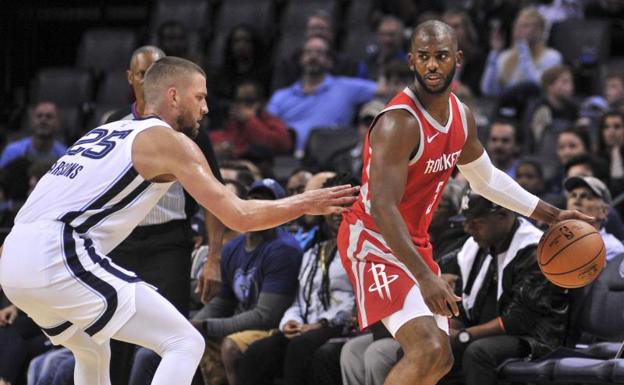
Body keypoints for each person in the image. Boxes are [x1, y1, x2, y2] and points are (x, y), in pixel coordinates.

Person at [0, 57, 358, 385]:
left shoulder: (101, 132)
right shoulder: (168, 140)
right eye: (199, 97)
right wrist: (309, 201)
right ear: (173, 96)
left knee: (92, 349)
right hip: (57, 252)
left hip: (13, 259)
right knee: (184, 341)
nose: (205, 108)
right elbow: (239, 215)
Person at [337, 20, 590, 385]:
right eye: (423, 57)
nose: (433, 65)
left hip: (412, 239)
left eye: (441, 56)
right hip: (373, 240)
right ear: (411, 61)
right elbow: (382, 207)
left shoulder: (460, 115)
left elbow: (485, 178)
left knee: (440, 359)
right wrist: (425, 277)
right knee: (426, 350)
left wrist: (551, 215)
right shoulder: (398, 123)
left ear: (457, 58)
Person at [104, 45, 227, 385]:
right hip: (119, 242)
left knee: (173, 337)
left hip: (167, 243)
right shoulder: (114, 123)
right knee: (111, 338)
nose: (150, 79)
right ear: (131, 78)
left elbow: (215, 197)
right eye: (143, 73)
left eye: (158, 70)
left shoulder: (188, 126)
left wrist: (213, 259)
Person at [235, 175, 356, 385]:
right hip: (305, 327)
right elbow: (299, 300)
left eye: (345, 205)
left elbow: (357, 301)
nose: (337, 212)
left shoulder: (362, 250)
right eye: (334, 205)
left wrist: (323, 323)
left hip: (340, 324)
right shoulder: (313, 251)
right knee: (258, 352)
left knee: (302, 346)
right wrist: (292, 321)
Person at [442, 190, 569, 385]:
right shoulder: (478, 246)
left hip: (534, 340)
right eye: (465, 222)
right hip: (485, 333)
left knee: (479, 352)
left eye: (475, 222)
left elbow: (519, 320)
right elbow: (464, 305)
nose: (467, 229)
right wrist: (445, 332)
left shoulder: (537, 251)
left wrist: (463, 336)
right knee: (431, 348)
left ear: (502, 214)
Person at [267, 36, 380, 153]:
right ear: (301, 58)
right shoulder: (280, 97)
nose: (313, 56)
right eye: (308, 52)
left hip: (328, 159)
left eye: (319, 53)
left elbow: (386, 89)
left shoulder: (347, 88)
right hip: (286, 158)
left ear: (329, 61)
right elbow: (267, 128)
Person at [480, 7, 563, 97]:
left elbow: (538, 86)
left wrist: (523, 49)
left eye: (525, 26)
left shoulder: (552, 57)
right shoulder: (505, 56)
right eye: (516, 25)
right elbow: (488, 90)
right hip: (509, 106)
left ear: (539, 30)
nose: (519, 29)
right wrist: (495, 53)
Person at [564, 176, 624, 262]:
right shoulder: (557, 241)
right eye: (573, 195)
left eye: (586, 196)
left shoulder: (612, 248)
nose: (576, 200)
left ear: (603, 211)